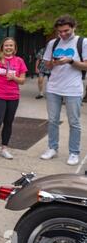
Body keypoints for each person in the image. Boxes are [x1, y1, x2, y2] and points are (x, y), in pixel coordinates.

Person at [40, 15, 87, 165]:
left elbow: (86, 65)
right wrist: (54, 63)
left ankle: (74, 152)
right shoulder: (53, 43)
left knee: (74, 122)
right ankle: (52, 148)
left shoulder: (82, 42)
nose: (63, 34)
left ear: (74, 27)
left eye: (66, 31)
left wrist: (70, 61)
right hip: (54, 86)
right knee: (53, 120)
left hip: (73, 88)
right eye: (60, 31)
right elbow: (47, 65)